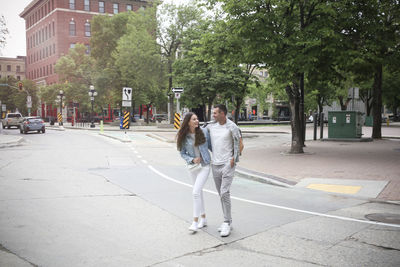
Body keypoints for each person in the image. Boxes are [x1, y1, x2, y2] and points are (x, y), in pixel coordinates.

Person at [205, 104, 241, 237]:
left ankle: (226, 222)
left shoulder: (232, 127)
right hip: (215, 164)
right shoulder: (210, 126)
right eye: (213, 113)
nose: (213, 115)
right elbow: (200, 135)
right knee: (221, 194)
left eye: (215, 113)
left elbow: (240, 143)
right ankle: (228, 220)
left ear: (222, 114)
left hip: (227, 164)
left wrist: (234, 158)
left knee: (224, 192)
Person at [177, 112, 212, 233]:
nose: (197, 121)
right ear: (188, 122)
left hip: (204, 166)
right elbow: (182, 153)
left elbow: (212, 147)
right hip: (193, 167)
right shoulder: (184, 136)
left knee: (195, 193)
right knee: (199, 193)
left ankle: (195, 222)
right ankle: (204, 219)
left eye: (197, 119)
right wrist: (192, 159)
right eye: (194, 119)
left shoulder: (204, 132)